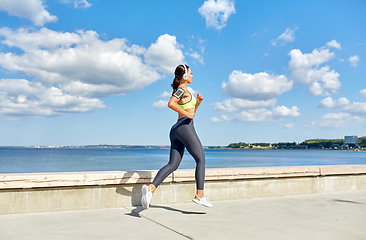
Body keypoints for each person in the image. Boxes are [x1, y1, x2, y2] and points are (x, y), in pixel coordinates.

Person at [141, 64, 212, 209]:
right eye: (191, 73)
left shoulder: (184, 90)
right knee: (201, 159)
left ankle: (150, 190)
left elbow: (190, 112)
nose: (192, 76)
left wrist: (197, 103)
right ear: (185, 76)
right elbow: (171, 104)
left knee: (173, 164)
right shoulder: (181, 89)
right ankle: (200, 195)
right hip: (185, 127)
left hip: (177, 129)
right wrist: (187, 114)